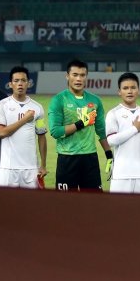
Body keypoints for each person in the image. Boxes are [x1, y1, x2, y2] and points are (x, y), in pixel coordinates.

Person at [48, 59, 113, 191]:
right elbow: (55, 132)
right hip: (67, 158)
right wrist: (82, 123)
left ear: (86, 77)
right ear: (67, 76)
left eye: (82, 75)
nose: (78, 79)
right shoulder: (58, 100)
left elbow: (101, 132)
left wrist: (109, 155)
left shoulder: (95, 101)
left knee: (93, 204)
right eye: (75, 75)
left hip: (90, 159)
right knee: (64, 204)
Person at [0, 66, 47, 189]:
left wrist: (43, 165)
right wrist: (24, 119)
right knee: (5, 205)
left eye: (23, 80)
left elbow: (42, 136)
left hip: (31, 169)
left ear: (28, 83)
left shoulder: (37, 108)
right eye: (16, 81)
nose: (20, 84)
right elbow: (1, 133)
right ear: (10, 84)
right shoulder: (1, 106)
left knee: (30, 206)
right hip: (8, 168)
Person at [105, 72, 140, 194]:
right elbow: (111, 140)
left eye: (133, 87)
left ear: (138, 90)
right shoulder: (113, 113)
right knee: (119, 211)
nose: (129, 91)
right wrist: (135, 129)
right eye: (125, 88)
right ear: (119, 92)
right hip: (121, 174)